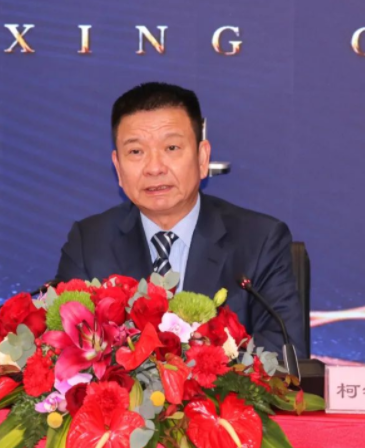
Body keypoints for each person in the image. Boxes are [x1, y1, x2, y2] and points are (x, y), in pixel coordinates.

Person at [55, 82, 307, 358]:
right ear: (118, 166)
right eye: (136, 152)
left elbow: (285, 351)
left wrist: (202, 364)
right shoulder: (89, 243)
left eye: (171, 147)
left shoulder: (259, 241)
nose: (154, 168)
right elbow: (63, 349)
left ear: (202, 158)